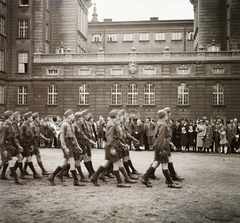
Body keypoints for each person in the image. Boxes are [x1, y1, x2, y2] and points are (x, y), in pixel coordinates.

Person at [90, 109, 134, 188]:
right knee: (116, 163)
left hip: (113, 145)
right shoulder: (113, 125)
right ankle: (119, 182)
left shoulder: (113, 124)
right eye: (117, 115)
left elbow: (115, 137)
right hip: (112, 146)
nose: (119, 117)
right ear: (115, 116)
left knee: (112, 162)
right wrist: (112, 148)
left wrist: (121, 144)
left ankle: (95, 176)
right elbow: (110, 137)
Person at [141, 109, 181, 188]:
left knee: (157, 163)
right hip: (162, 145)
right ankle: (170, 182)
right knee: (164, 164)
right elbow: (161, 138)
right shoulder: (163, 124)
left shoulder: (159, 123)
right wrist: (162, 149)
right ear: (164, 116)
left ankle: (145, 177)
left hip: (159, 145)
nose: (167, 116)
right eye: (166, 115)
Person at [48, 109, 85, 186]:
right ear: (68, 116)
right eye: (72, 115)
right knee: (72, 162)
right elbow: (61, 137)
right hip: (67, 145)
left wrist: (77, 146)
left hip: (72, 144)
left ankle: (52, 176)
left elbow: (73, 136)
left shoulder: (70, 124)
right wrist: (64, 147)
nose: (73, 116)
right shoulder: (64, 125)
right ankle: (75, 181)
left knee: (65, 163)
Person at [0, 111, 25, 184]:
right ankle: (16, 179)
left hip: (11, 145)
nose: (12, 116)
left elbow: (14, 137)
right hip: (5, 146)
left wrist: (18, 145)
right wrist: (3, 150)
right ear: (9, 117)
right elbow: (1, 140)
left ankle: (2, 174)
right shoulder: (5, 126)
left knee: (20, 157)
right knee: (9, 162)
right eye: (11, 115)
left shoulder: (11, 125)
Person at [20, 111, 42, 179]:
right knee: (28, 158)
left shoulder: (29, 125)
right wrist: (22, 145)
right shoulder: (24, 125)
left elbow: (31, 136)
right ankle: (34, 173)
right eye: (30, 117)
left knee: (21, 158)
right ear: (27, 118)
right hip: (25, 145)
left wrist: (31, 145)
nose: (31, 118)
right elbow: (21, 137)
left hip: (28, 144)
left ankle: (18, 172)